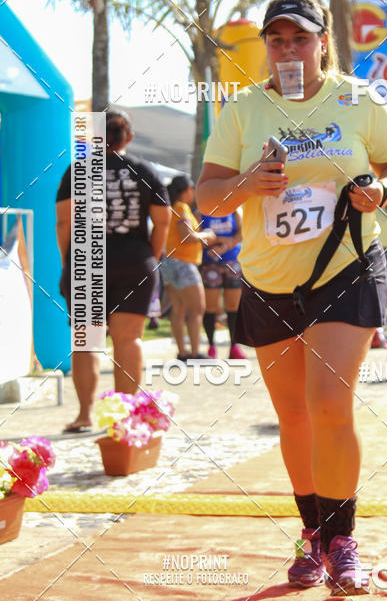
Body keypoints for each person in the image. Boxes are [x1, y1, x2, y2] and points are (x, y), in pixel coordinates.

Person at [196, 0, 387, 596]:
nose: (288, 49)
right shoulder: (244, 109)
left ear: (323, 42)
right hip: (269, 279)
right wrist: (246, 182)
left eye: (300, 38)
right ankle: (313, 534)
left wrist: (383, 191)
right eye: (277, 39)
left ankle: (344, 542)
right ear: (267, 46)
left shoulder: (356, 99)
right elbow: (206, 198)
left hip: (345, 268)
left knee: (327, 404)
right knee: (293, 417)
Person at [56, 109, 170, 433]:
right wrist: (151, 255)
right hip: (135, 259)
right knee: (129, 339)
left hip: (86, 258)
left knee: (87, 339)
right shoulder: (146, 170)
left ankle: (84, 415)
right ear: (128, 138)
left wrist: (68, 260)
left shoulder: (77, 170)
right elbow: (162, 221)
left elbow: (64, 220)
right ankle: (124, 415)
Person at [161, 174, 216, 361]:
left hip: (170, 263)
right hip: (183, 263)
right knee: (197, 308)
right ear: (186, 190)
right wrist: (207, 235)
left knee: (178, 310)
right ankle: (193, 352)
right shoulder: (182, 207)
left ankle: (182, 353)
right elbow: (187, 235)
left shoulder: (172, 208)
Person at [195, 207, 246, 359]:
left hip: (233, 261)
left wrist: (225, 245)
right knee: (210, 307)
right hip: (210, 263)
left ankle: (234, 346)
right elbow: (198, 237)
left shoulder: (234, 210)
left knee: (233, 306)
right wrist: (220, 241)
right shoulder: (200, 212)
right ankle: (211, 346)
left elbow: (243, 233)